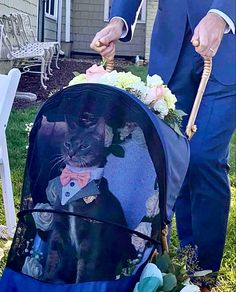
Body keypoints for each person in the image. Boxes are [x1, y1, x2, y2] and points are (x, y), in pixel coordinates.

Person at [90, 1, 236, 290]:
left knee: (204, 157)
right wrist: (119, 19)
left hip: (227, 44)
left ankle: (204, 276)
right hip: (170, 49)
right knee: (174, 158)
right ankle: (187, 263)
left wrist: (222, 14)